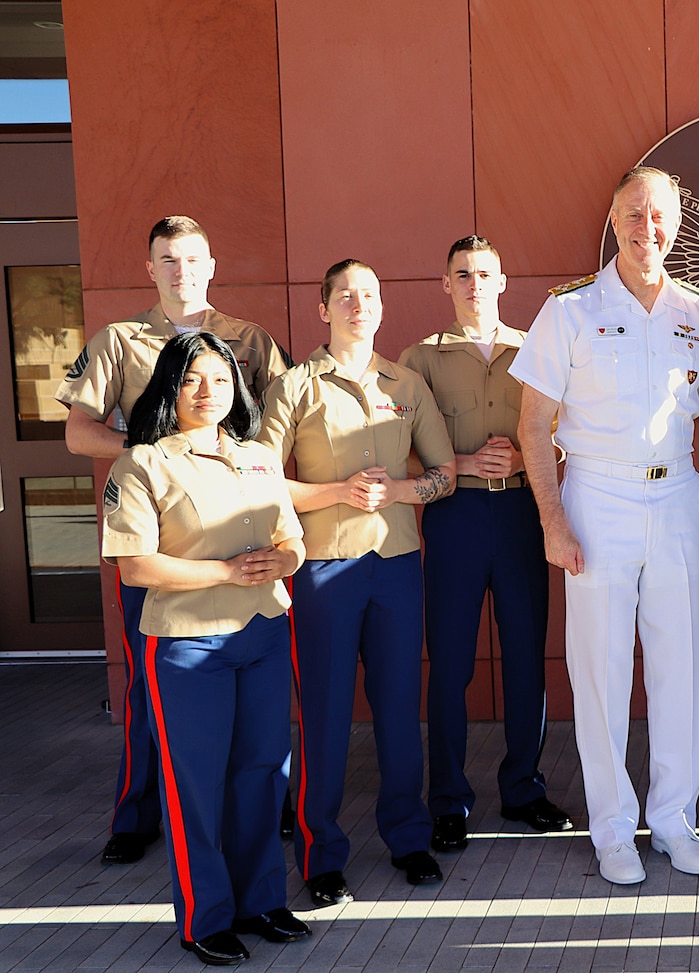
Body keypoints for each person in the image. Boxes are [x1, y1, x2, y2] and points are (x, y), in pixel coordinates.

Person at [510, 166, 699, 885]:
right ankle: (613, 828)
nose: (649, 228)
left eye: (661, 215)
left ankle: (675, 821)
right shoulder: (570, 309)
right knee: (602, 672)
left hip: (676, 496)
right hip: (598, 499)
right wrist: (554, 521)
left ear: (678, 223)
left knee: (681, 671)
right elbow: (532, 424)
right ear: (614, 221)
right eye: (635, 214)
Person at [56, 215, 290, 867]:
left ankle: (269, 806)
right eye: (167, 258)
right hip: (163, 540)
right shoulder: (119, 340)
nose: (181, 269)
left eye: (192, 258)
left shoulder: (249, 340)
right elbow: (79, 433)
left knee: (261, 687)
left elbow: (284, 425)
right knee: (149, 684)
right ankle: (138, 813)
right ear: (150, 267)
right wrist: (154, 453)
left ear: (211, 265)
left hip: (244, 539)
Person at [101, 332, 308, 966]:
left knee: (263, 772)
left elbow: (292, 538)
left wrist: (282, 558)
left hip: (265, 632)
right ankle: (205, 916)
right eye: (193, 378)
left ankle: (262, 901)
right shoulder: (142, 464)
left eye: (220, 378)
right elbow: (134, 566)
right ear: (170, 385)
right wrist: (225, 573)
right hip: (190, 645)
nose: (208, 391)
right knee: (196, 784)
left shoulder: (258, 457)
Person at [257, 259, 456, 906]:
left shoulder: (408, 382)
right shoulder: (295, 386)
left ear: (381, 305)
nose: (358, 303)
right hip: (323, 574)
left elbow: (445, 472)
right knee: (325, 714)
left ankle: (407, 835)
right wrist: (335, 492)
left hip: (397, 566)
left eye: (369, 293)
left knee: (400, 707)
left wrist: (399, 488)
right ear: (324, 309)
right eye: (345, 295)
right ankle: (319, 853)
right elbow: (259, 477)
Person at [398, 236, 570, 852]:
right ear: (445, 284)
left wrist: (529, 455)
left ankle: (523, 788)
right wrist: (465, 460)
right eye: (462, 274)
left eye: (485, 274)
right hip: (456, 514)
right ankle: (447, 800)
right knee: (450, 662)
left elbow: (570, 431)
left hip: (525, 511)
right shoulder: (418, 360)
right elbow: (403, 445)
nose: (474, 284)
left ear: (503, 281)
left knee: (526, 656)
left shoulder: (539, 350)